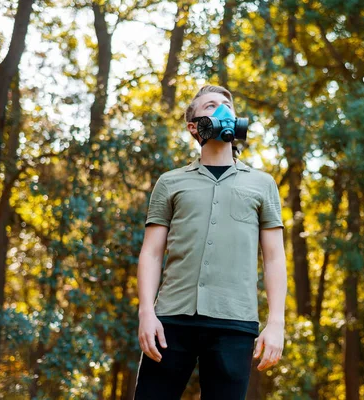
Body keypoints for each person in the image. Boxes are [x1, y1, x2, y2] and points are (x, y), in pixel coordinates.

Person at [134, 85, 287, 399]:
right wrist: (147, 314)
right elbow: (151, 253)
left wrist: (276, 323)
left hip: (236, 323)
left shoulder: (263, 184)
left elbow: (274, 258)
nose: (222, 111)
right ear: (194, 126)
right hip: (171, 321)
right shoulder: (170, 182)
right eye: (211, 105)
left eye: (227, 105)